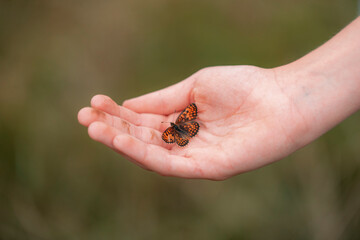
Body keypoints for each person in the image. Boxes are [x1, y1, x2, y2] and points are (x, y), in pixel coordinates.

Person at [78, 17, 360, 180]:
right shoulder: (184, 123)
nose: (179, 125)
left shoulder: (176, 127)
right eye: (178, 127)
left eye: (179, 125)